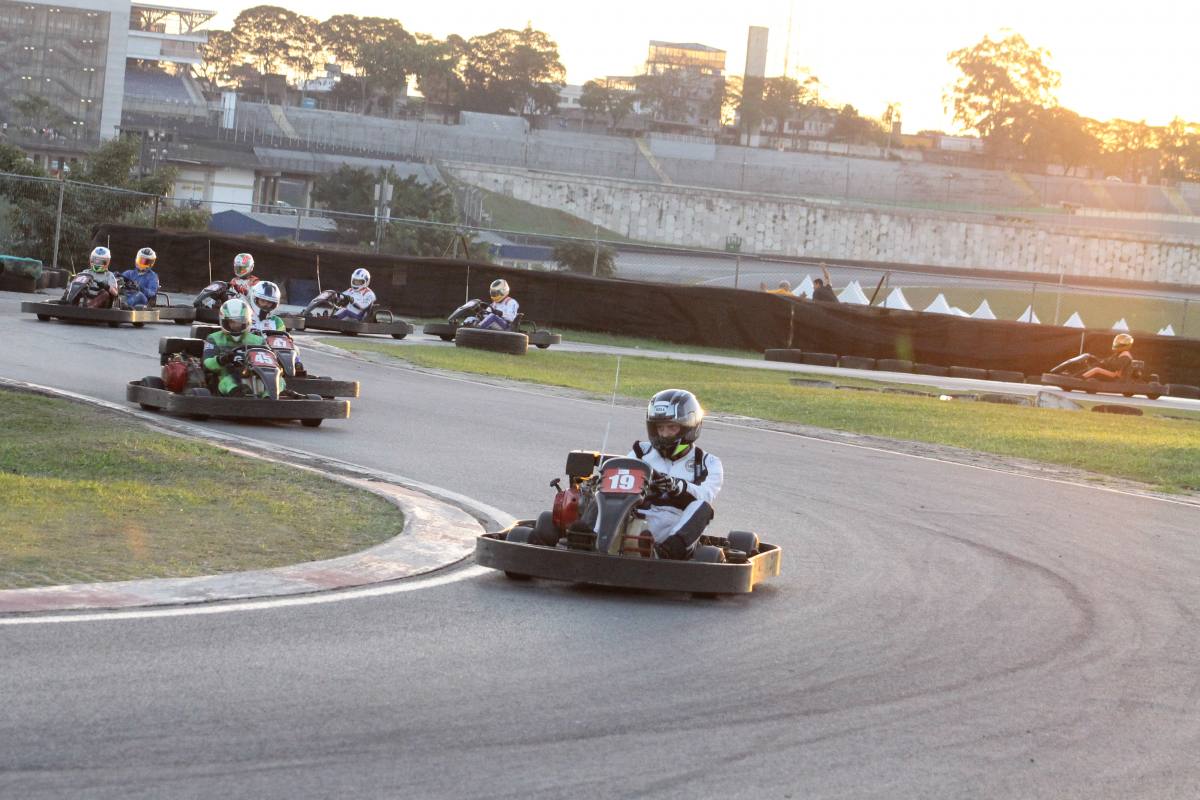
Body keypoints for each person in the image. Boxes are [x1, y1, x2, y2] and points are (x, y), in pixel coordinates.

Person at [626, 389, 724, 560]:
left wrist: (676, 486)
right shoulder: (640, 452)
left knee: (704, 507)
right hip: (638, 517)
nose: (664, 434)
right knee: (602, 489)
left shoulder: (707, 463)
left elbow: (706, 494)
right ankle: (588, 535)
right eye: (660, 428)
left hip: (675, 525)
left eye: (672, 427)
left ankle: (663, 553)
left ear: (689, 427)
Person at [202, 298, 269, 396]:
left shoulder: (258, 340)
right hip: (225, 376)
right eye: (232, 322)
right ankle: (238, 397)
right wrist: (222, 359)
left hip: (255, 375)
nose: (236, 325)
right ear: (224, 321)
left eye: (239, 321)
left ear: (247, 321)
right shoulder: (214, 338)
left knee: (279, 381)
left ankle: (270, 399)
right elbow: (207, 363)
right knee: (229, 382)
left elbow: (269, 360)